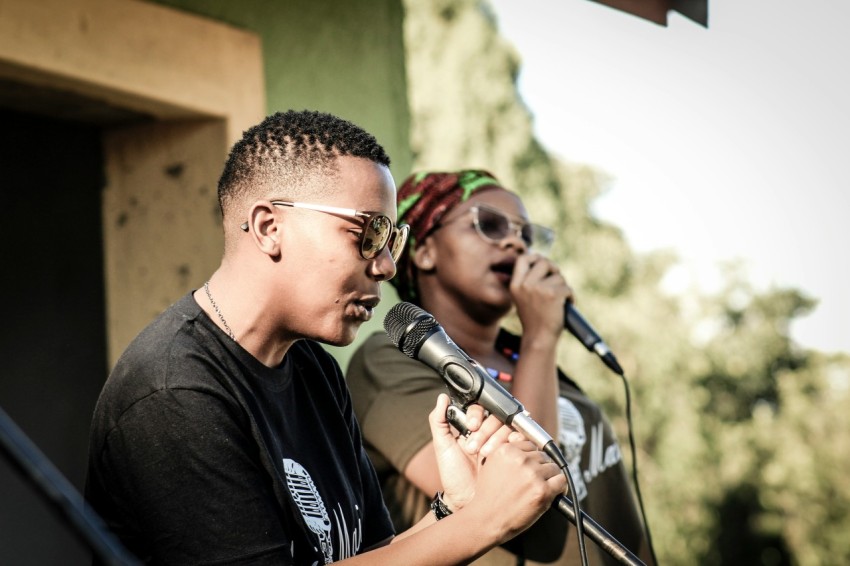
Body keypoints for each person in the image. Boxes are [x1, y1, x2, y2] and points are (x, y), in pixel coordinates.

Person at [85, 111, 567, 565]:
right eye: (368, 232)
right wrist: (483, 523)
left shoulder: (313, 367)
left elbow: (370, 554)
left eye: (391, 239)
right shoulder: (174, 392)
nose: (385, 265)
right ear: (269, 227)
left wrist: (455, 511)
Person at [345, 169, 655, 565]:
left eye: (526, 236)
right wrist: (541, 338)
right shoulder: (390, 360)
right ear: (424, 251)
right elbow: (522, 500)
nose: (515, 242)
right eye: (488, 225)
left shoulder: (523, 357)